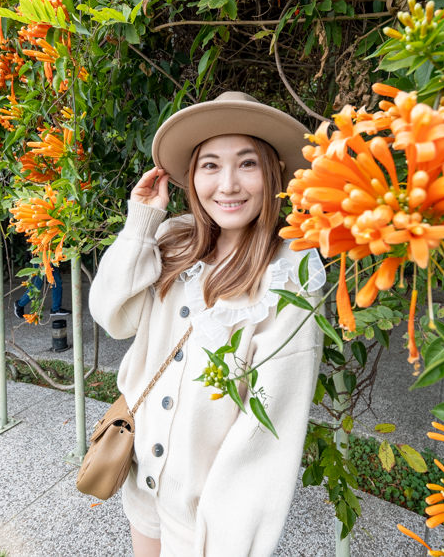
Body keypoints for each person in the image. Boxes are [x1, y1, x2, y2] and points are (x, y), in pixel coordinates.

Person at [89, 91, 325, 556]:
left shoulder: (290, 276)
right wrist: (141, 223)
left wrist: (227, 540)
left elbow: (267, 432)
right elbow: (112, 314)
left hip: (204, 518)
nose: (229, 185)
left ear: (272, 173)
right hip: (142, 479)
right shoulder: (173, 240)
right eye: (211, 165)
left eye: (247, 164)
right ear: (192, 176)